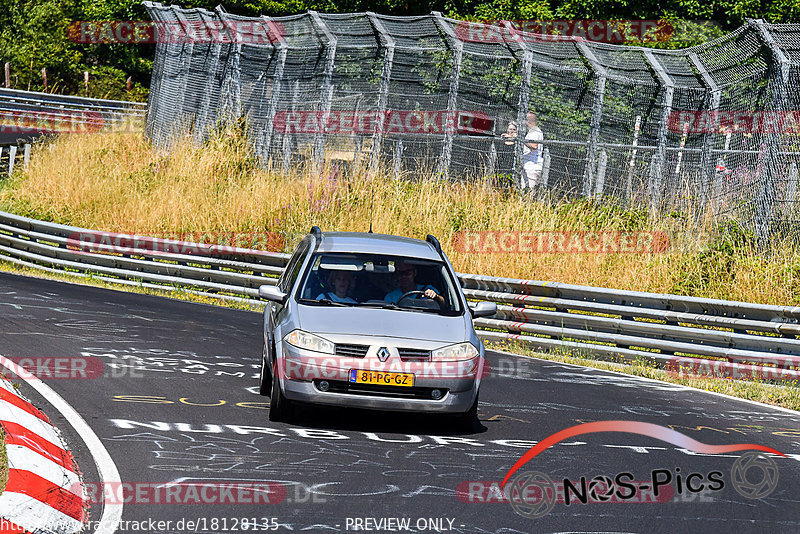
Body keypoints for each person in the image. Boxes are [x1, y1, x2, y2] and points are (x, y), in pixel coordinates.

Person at [521, 111, 543, 189]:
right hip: (529, 166)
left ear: (527, 121)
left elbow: (534, 146)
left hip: (532, 167)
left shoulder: (535, 131)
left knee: (528, 193)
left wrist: (522, 140)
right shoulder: (531, 132)